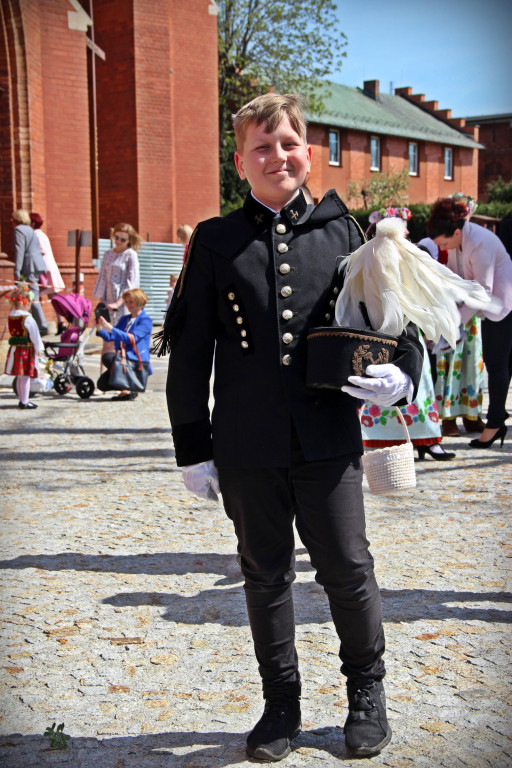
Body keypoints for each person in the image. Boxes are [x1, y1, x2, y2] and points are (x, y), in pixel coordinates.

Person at [161, 93, 424, 761]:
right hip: (246, 443)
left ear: (306, 150)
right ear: (240, 161)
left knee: (347, 567)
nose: (276, 156)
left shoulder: (348, 233)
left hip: (328, 438)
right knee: (264, 573)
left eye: (287, 143)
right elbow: (190, 352)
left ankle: (368, 692)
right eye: (261, 146)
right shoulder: (216, 241)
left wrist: (403, 377)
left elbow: (401, 323)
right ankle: (281, 704)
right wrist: (193, 448)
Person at [360, 208, 455, 461]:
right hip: (377, 332)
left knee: (417, 383)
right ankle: (382, 439)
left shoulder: (412, 255)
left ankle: (427, 440)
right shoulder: (368, 256)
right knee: (379, 385)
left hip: (408, 330)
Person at [428, 197, 512, 448]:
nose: (443, 247)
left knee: (497, 364)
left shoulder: (480, 241)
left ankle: (495, 424)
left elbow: (482, 291)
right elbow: (457, 278)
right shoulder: (458, 241)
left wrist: (455, 322)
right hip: (492, 306)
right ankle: (498, 419)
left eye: (443, 242)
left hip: (503, 304)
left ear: (455, 232)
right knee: (500, 364)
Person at [93, 222, 141, 366]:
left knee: (120, 340)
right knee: (107, 340)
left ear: (129, 241)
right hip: (107, 301)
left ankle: (122, 380)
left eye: (122, 239)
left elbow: (131, 281)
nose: (118, 241)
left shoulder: (130, 255)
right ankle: (106, 378)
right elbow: (102, 276)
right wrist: (102, 300)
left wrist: (119, 302)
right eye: (116, 237)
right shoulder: (108, 254)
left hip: (123, 303)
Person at [95, 288, 152, 401]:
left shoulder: (145, 320)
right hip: (124, 359)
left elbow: (131, 338)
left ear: (139, 301)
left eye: (131, 302)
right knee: (102, 384)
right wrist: (100, 327)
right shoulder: (125, 319)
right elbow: (111, 337)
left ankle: (129, 388)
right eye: (126, 302)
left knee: (108, 357)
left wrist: (110, 328)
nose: (128, 304)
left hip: (136, 360)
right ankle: (127, 388)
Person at [4, 283, 45, 409]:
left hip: (15, 350)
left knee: (19, 377)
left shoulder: (11, 316)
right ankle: (24, 401)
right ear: (25, 303)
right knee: (25, 376)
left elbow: (8, 328)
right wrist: (39, 349)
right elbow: (35, 335)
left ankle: (21, 399)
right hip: (26, 350)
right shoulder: (27, 318)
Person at [11, 209, 48, 335]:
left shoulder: (19, 230)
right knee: (32, 295)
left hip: (29, 265)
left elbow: (19, 250)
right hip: (37, 264)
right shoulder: (30, 230)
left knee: (33, 295)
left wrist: (16, 271)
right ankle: (37, 324)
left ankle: (42, 325)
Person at [29, 212, 67, 333]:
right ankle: (61, 322)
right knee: (53, 296)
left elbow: (41, 251)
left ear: (32, 223)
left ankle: (40, 324)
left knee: (35, 295)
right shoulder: (43, 234)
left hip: (43, 269)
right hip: (50, 267)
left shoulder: (35, 235)